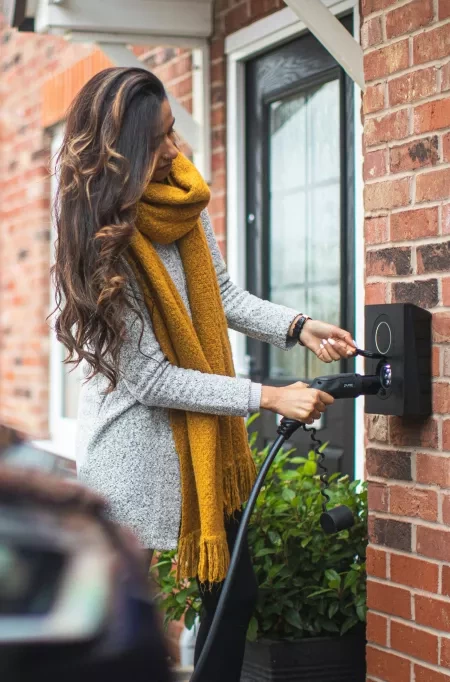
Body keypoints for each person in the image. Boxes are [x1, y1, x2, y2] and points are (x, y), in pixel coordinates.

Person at [52, 66, 356, 681]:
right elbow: (153, 379)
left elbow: (222, 295)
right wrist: (267, 395)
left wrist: (299, 326)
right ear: (121, 154)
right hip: (135, 467)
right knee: (128, 638)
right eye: (157, 142)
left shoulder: (184, 198)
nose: (174, 151)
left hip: (207, 455)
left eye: (172, 132)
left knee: (234, 597)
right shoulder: (103, 241)